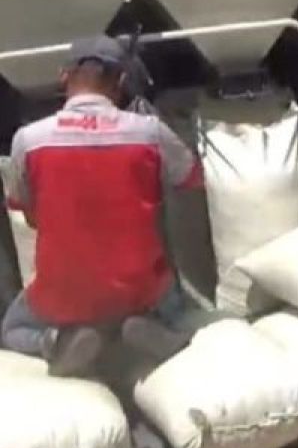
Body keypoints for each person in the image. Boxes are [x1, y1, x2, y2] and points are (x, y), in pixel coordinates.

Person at [1, 36, 203, 377]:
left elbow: (27, 210)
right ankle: (160, 329)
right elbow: (191, 181)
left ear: (64, 77)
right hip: (140, 288)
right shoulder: (149, 132)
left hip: (63, 293)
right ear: (122, 81)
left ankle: (57, 340)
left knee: (12, 329)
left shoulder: (29, 139)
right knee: (176, 294)